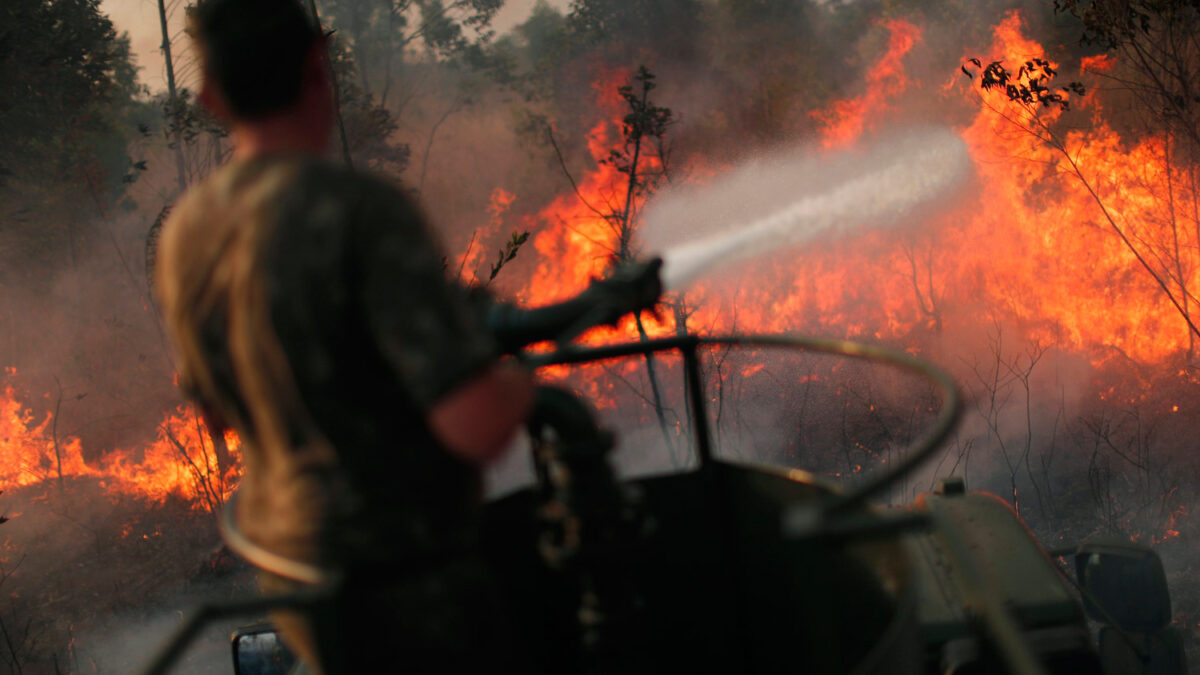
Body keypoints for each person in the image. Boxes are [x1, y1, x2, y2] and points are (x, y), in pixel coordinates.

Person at [155, 0, 535, 671]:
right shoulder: (363, 212)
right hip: (409, 588)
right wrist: (514, 375)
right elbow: (476, 426)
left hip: (295, 582)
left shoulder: (188, 233)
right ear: (318, 64)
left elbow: (218, 410)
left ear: (210, 95)